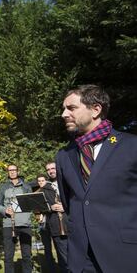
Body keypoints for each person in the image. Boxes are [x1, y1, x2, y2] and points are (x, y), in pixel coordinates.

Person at [57, 84, 137, 272]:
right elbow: (69, 202)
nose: (64, 114)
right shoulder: (64, 155)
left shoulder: (132, 147)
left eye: (71, 108)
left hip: (125, 255)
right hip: (81, 260)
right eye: (63, 108)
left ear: (96, 110)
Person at [0, 164, 32, 273]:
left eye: (14, 170)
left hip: (25, 224)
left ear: (18, 171)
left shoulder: (26, 186)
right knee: (8, 255)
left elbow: (31, 203)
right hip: (8, 224)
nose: (12, 172)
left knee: (26, 255)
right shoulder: (3, 187)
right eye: (10, 170)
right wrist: (5, 210)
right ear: (8, 172)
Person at [44, 162, 68, 273]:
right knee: (63, 258)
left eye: (53, 168)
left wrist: (66, 207)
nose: (51, 171)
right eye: (48, 169)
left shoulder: (67, 182)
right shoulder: (45, 188)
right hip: (56, 227)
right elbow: (41, 207)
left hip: (71, 224)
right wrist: (50, 207)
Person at [34, 174, 56, 273]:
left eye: (42, 180)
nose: (41, 182)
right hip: (43, 223)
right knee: (47, 247)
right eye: (39, 181)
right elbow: (36, 209)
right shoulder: (37, 192)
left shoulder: (51, 189)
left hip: (53, 221)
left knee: (57, 245)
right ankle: (50, 269)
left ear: (46, 181)